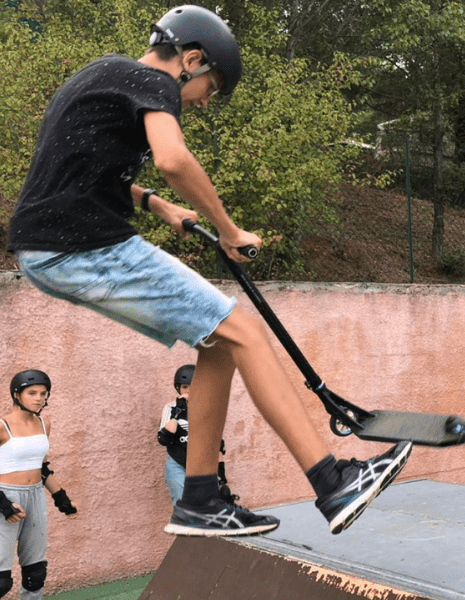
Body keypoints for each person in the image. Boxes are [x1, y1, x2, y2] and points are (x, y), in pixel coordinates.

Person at [7, 5, 411, 537]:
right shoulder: (154, 81)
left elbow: (78, 167)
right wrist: (228, 228)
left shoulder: (101, 76)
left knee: (217, 341)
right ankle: (334, 481)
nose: (203, 102)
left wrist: (156, 204)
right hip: (84, 244)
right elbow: (174, 159)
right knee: (243, 329)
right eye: (211, 88)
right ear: (192, 60)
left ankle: (200, 499)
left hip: (46, 247)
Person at [0, 370, 77, 600]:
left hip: (35, 497)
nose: (39, 398)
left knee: (35, 573)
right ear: (16, 394)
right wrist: (4, 505)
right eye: (32, 393)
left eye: (43, 394)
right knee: (1, 581)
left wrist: (61, 497)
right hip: (6, 497)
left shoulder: (44, 423)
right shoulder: (3, 425)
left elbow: (41, 467)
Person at [158, 365, 237, 505]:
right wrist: (178, 411)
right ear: (178, 388)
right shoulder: (170, 408)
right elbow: (164, 439)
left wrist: (221, 477)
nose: (189, 390)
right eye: (185, 387)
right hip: (178, 464)